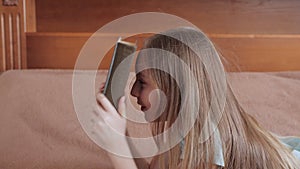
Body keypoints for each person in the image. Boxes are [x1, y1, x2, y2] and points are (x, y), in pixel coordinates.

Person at [92, 27, 300, 169]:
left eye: (143, 82)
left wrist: (116, 147)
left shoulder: (207, 146)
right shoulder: (181, 131)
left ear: (175, 89)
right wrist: (124, 134)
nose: (133, 92)